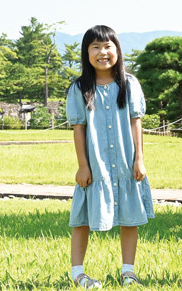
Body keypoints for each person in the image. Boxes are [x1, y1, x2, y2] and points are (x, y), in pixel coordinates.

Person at [67, 25, 154, 288]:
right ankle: (77, 272)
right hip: (96, 165)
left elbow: (135, 122)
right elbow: (79, 128)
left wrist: (139, 158)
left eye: (108, 46)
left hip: (126, 163)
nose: (102, 52)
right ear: (86, 52)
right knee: (83, 218)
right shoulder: (79, 87)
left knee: (130, 215)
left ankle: (128, 271)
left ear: (117, 50)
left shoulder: (129, 84)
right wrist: (83, 165)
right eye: (95, 47)